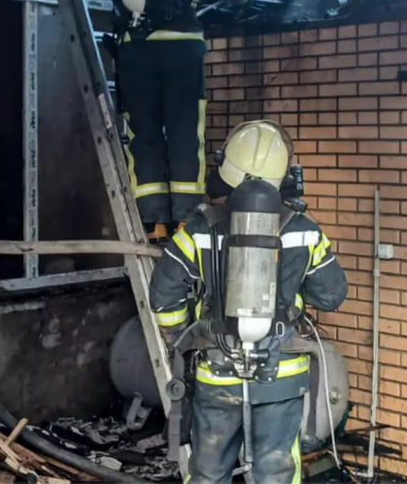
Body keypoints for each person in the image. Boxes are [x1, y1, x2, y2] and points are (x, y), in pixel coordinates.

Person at [148, 120, 348, 484]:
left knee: (208, 472)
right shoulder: (304, 230)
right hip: (281, 376)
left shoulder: (199, 228)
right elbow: (332, 295)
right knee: (276, 473)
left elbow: (163, 297)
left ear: (229, 170)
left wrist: (181, 338)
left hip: (217, 372)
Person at [67, 0, 255, 240]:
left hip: (135, 51)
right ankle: (187, 218)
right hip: (183, 50)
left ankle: (153, 222)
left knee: (143, 133)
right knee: (185, 131)